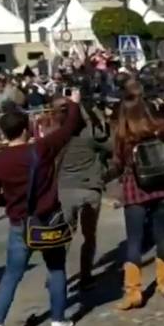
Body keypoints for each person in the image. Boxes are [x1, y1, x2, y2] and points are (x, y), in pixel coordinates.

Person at [0, 92, 82, 326]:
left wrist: (12, 202)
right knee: (56, 269)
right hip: (48, 218)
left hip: (19, 223)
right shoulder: (42, 148)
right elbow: (69, 127)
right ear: (27, 128)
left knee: (11, 275)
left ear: (4, 133)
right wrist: (75, 102)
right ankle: (58, 321)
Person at [113, 95, 164, 311]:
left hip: (135, 188)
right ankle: (163, 282)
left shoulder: (124, 135)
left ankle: (133, 291)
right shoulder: (160, 128)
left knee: (134, 240)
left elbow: (118, 162)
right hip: (162, 184)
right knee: (161, 233)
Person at [52, 95, 111, 291]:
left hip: (64, 190)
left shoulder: (54, 135)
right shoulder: (89, 133)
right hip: (89, 188)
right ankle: (85, 275)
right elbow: (111, 146)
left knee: (63, 236)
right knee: (89, 236)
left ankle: (55, 275)